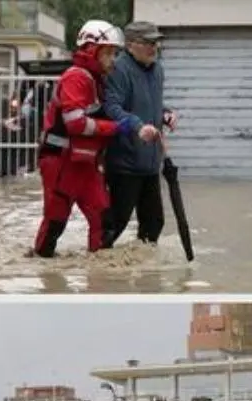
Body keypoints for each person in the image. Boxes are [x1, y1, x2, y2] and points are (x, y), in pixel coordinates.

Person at [30, 20, 158, 258]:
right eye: (108, 53)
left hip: (85, 163)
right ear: (91, 50)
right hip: (61, 162)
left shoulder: (97, 79)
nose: (113, 59)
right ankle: (45, 279)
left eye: (114, 52)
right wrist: (117, 127)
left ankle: (98, 279)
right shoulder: (76, 78)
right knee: (55, 223)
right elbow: (75, 123)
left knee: (105, 223)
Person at [100, 21, 179, 249]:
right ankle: (98, 274)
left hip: (150, 162)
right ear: (131, 45)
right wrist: (137, 126)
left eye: (156, 43)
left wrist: (165, 114)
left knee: (154, 224)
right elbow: (112, 108)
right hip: (124, 163)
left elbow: (150, 105)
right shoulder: (119, 69)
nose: (154, 47)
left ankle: (144, 276)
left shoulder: (157, 69)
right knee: (115, 225)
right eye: (148, 43)